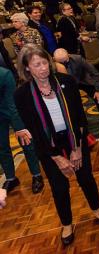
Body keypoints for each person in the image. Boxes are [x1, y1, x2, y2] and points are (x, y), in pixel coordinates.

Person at [14, 44, 99, 246]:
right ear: (27, 68)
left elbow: (80, 117)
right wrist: (57, 157)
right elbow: (35, 132)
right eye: (36, 65)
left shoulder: (66, 82)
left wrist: (76, 149)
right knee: (59, 187)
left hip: (74, 139)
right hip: (48, 148)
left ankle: (97, 208)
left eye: (44, 62)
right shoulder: (22, 95)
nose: (43, 68)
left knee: (86, 178)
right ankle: (67, 223)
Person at [0, 66, 44, 194]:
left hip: (13, 111)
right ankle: (11, 178)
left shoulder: (4, 74)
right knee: (2, 146)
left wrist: (19, 128)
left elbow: (12, 103)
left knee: (26, 142)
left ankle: (36, 175)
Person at [53, 48, 99, 130]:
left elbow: (95, 73)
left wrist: (98, 90)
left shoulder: (78, 58)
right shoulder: (51, 65)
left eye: (65, 61)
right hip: (67, 84)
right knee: (74, 103)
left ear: (68, 55)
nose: (63, 64)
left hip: (83, 80)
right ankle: (82, 123)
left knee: (98, 97)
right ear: (54, 59)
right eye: (60, 62)